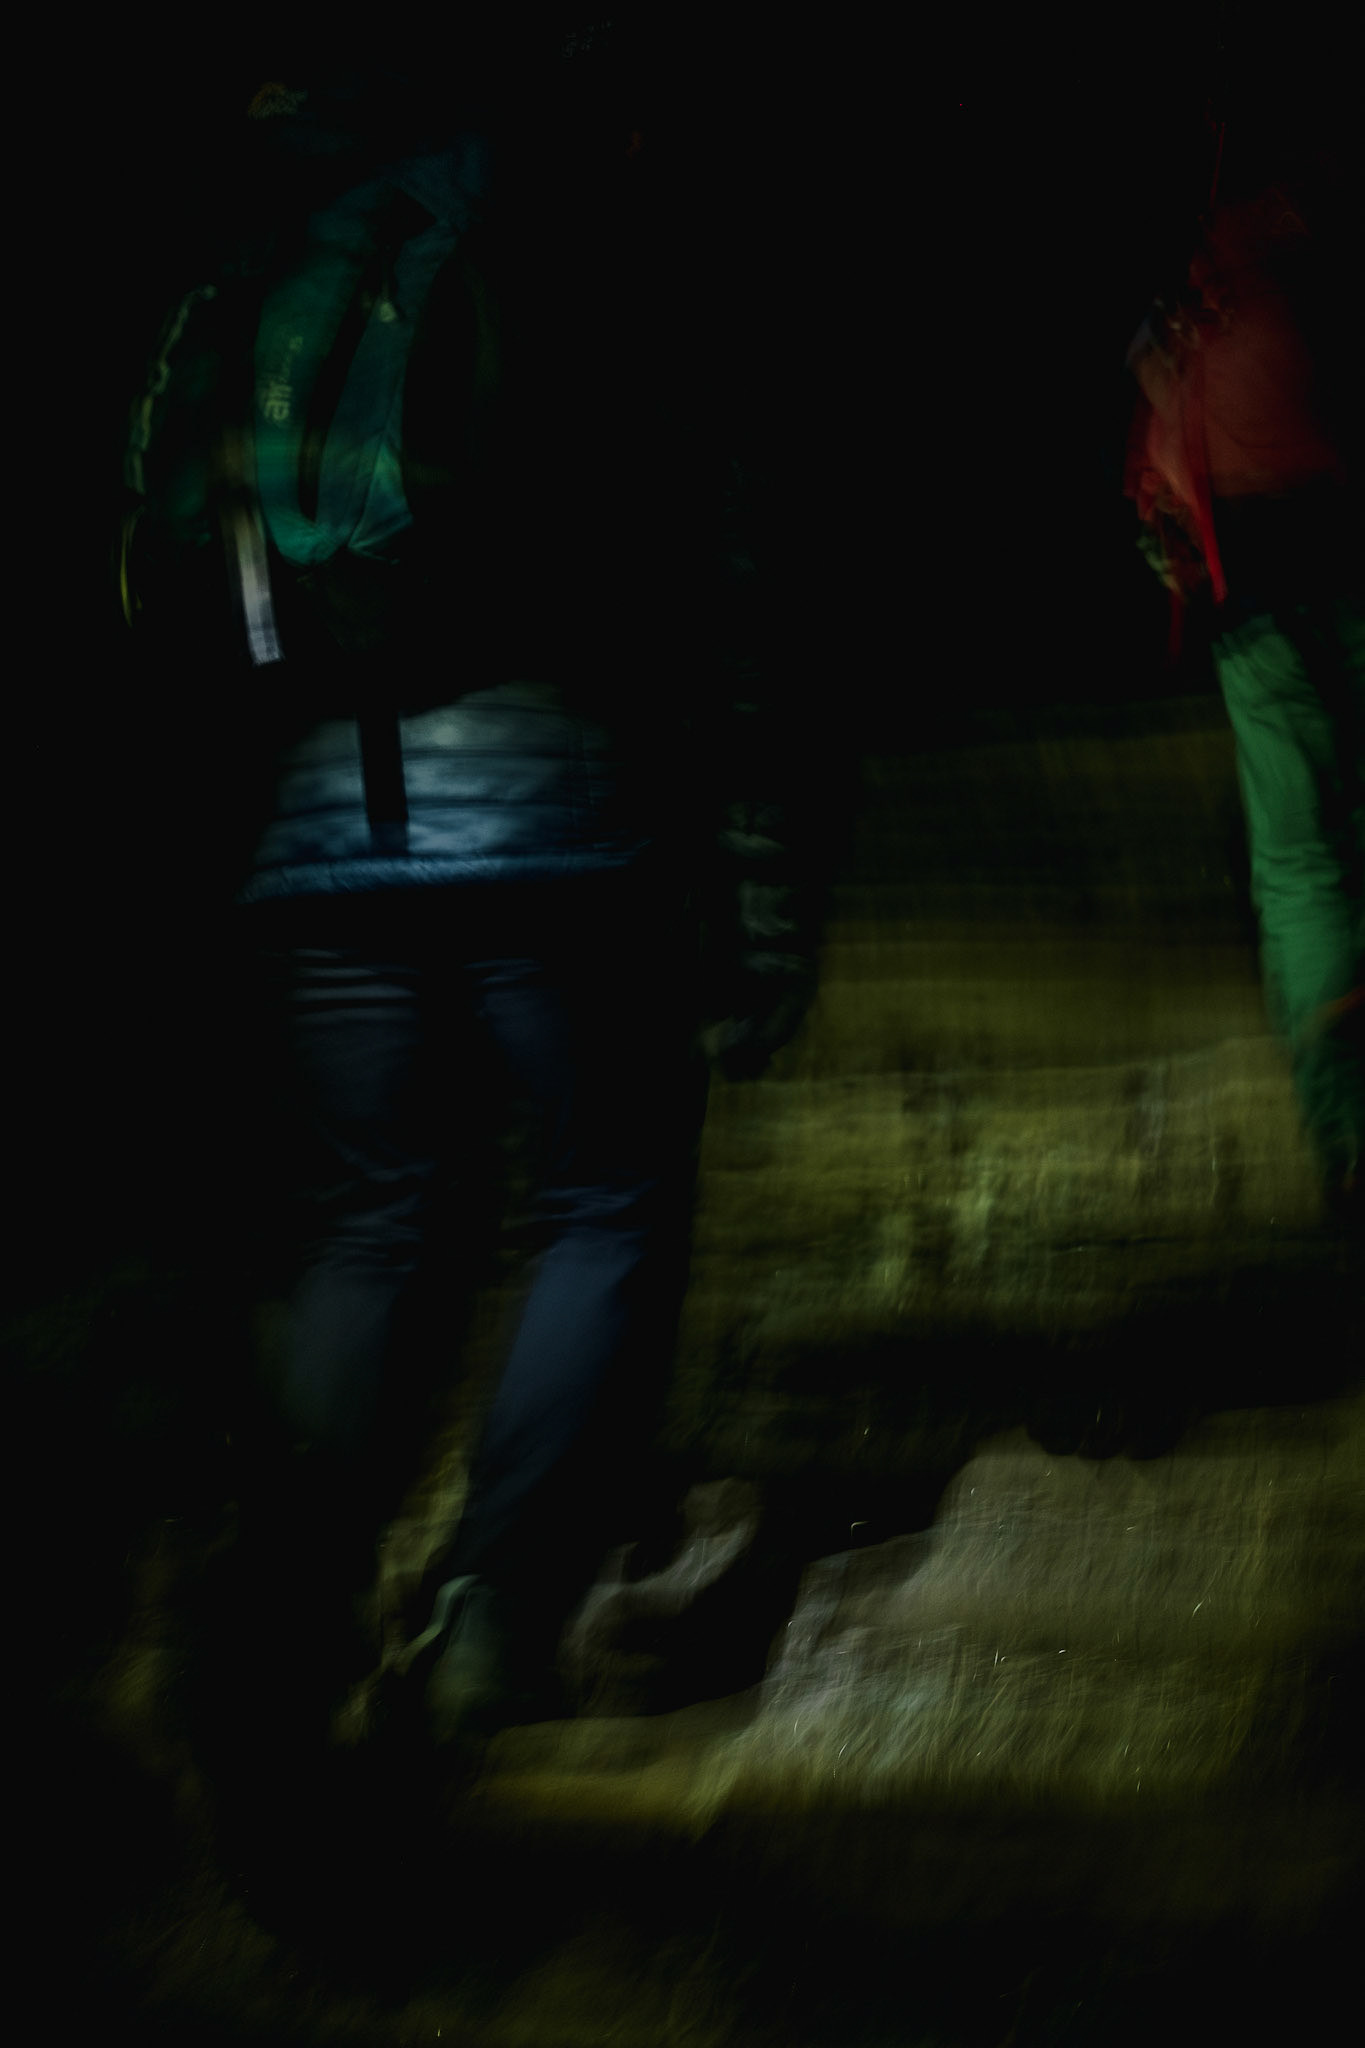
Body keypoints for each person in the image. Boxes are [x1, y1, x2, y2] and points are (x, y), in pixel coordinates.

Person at [122, 46, 830, 1780]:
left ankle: (291, 1604)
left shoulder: (279, 244)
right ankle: (495, 1618)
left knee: (371, 1220)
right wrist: (758, 867)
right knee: (605, 1194)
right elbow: (722, 557)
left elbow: (172, 573)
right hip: (556, 795)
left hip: (317, 818)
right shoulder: (578, 234)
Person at [1125, 146, 1363, 1228]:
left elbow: (1159, 506)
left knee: (1302, 867)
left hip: (1254, 610)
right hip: (1341, 572)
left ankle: (1346, 1131)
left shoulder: (1185, 317)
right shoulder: (1315, 261)